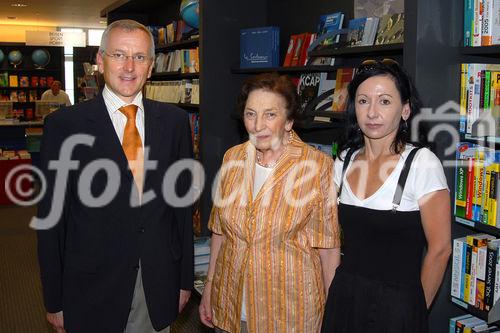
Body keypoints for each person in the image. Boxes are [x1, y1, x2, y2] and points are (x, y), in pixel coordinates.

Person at [35, 19, 193, 333]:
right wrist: (54, 300)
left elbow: (182, 211)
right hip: (90, 291)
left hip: (156, 285)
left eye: (139, 57)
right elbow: (51, 222)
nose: (129, 66)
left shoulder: (175, 123)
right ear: (100, 60)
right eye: (119, 54)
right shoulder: (64, 126)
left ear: (151, 66)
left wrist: (183, 280)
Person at [199, 73, 341, 332]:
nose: (257, 125)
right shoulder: (233, 159)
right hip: (230, 309)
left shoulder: (317, 167)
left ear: (289, 121)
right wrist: (209, 286)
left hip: (290, 314)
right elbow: (219, 231)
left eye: (270, 115)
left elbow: (328, 250)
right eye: (251, 114)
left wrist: (331, 314)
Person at [321, 59, 451, 333]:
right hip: (344, 299)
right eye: (363, 101)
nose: (372, 112)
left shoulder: (421, 163)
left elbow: (440, 250)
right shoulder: (343, 161)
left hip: (398, 307)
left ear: (405, 110)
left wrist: (413, 310)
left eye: (384, 101)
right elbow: (329, 238)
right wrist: (331, 294)